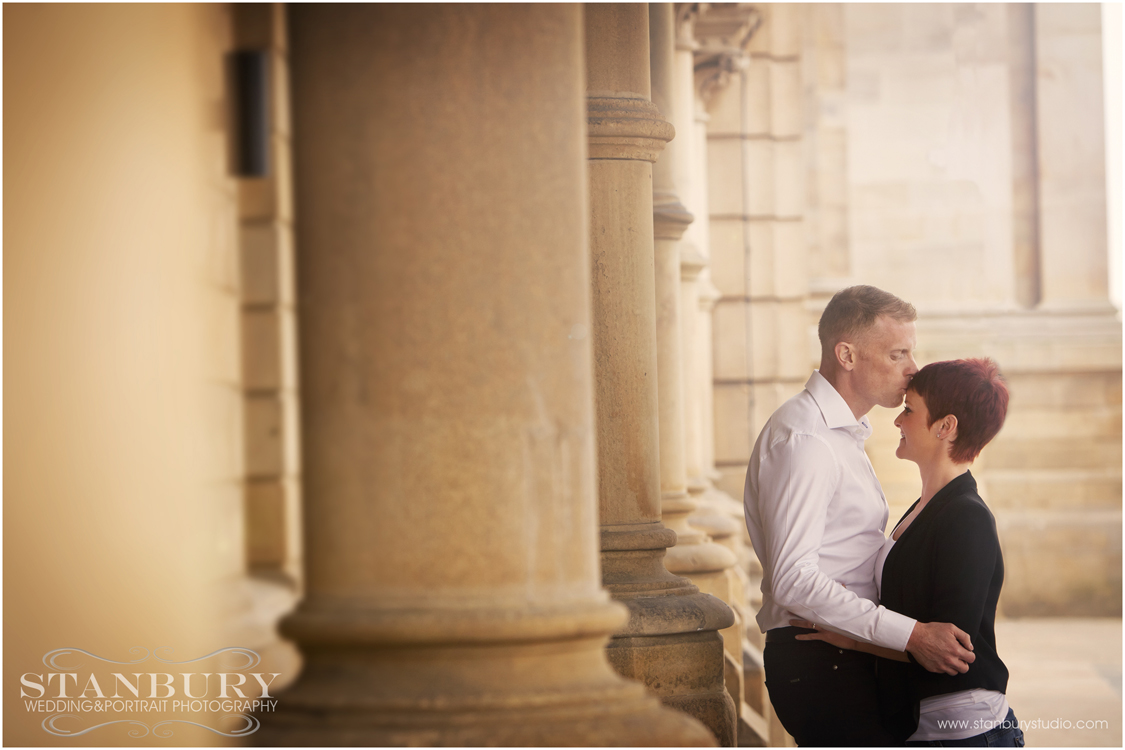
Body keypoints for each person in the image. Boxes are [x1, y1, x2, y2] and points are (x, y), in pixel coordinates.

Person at [744, 285, 976, 746]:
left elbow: (852, 552)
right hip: (820, 662)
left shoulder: (840, 434)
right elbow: (793, 580)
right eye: (897, 354)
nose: (913, 368)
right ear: (846, 355)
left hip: (846, 650)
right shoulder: (807, 440)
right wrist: (912, 635)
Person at [793, 358, 1024, 747]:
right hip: (926, 727)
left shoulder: (967, 517)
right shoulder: (925, 507)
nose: (898, 420)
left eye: (910, 410)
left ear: (945, 427)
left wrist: (857, 639)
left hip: (967, 732)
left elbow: (952, 652)